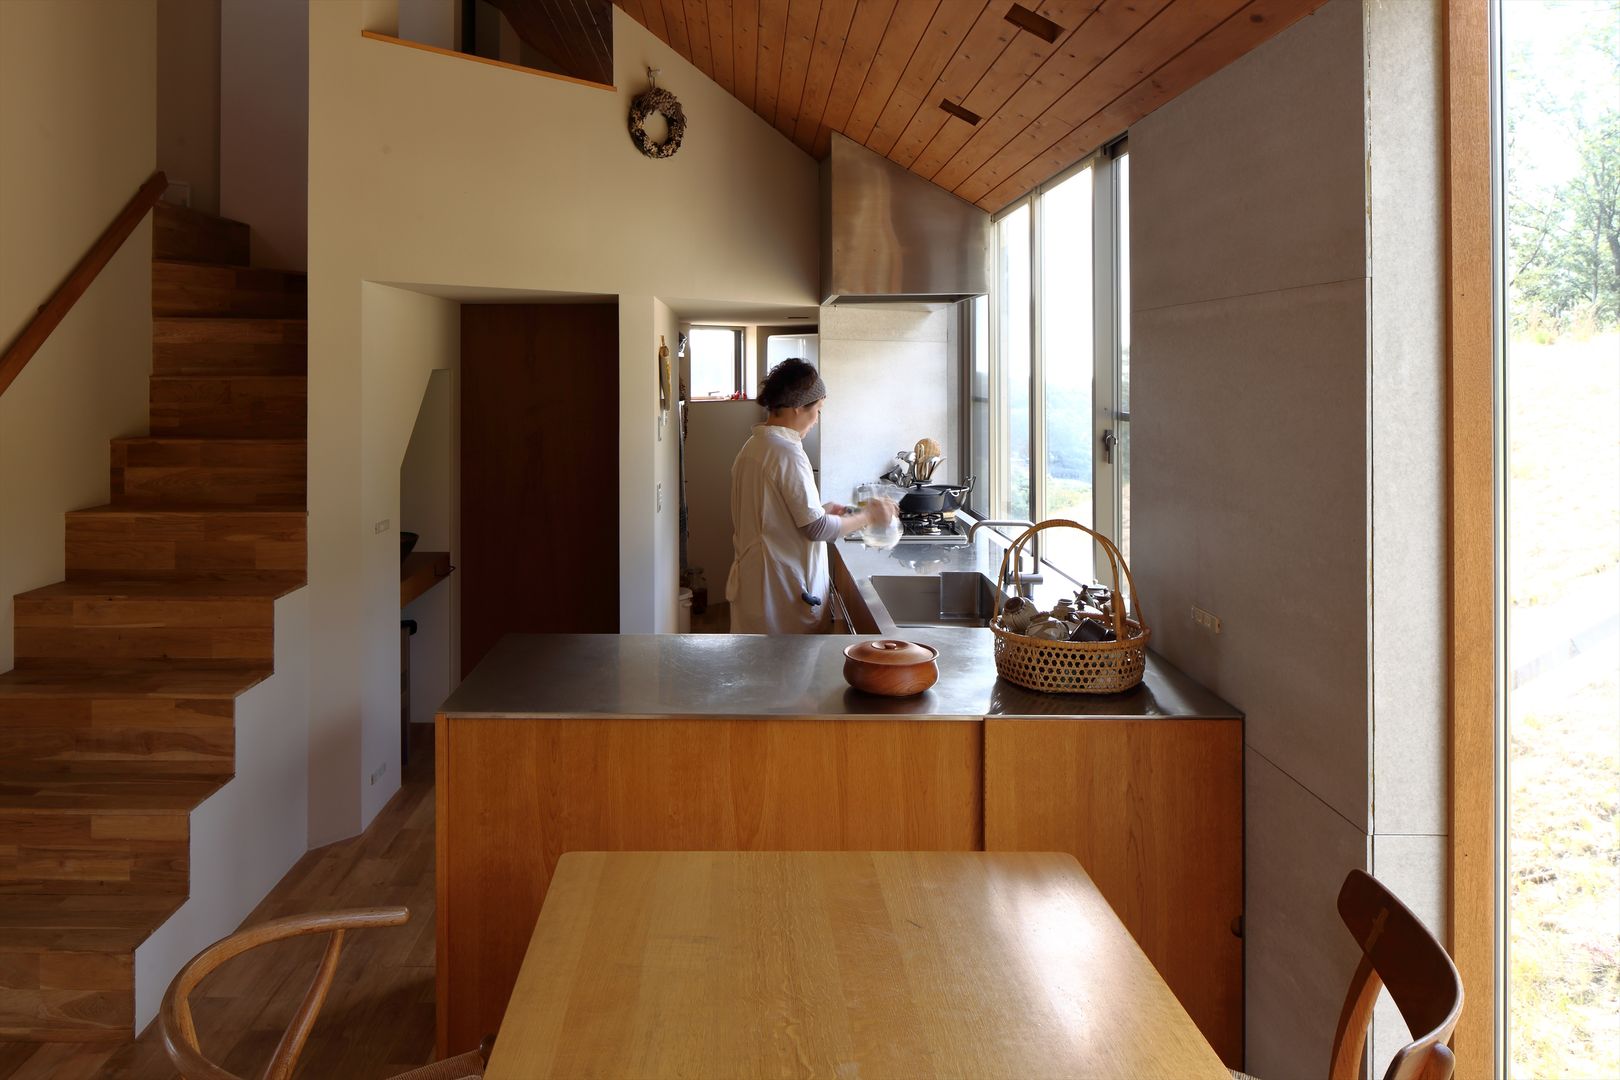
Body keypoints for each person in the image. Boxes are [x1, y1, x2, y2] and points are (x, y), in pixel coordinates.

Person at [726, 358, 897, 634]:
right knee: (789, 674)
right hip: (781, 596)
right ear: (797, 407)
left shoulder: (753, 447)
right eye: (817, 410)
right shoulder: (786, 453)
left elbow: (774, 517)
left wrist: (823, 508)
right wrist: (869, 515)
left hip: (757, 590)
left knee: (757, 670)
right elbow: (816, 528)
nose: (816, 420)